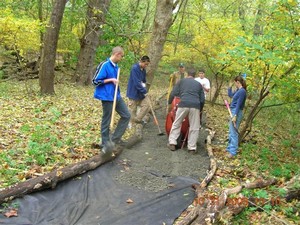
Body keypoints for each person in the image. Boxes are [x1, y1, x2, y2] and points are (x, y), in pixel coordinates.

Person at [92, 46, 131, 148]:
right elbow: (95, 81)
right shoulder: (104, 65)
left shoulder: (116, 67)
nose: (121, 58)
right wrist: (110, 80)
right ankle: (105, 144)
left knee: (126, 115)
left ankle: (114, 139)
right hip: (106, 96)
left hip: (116, 96)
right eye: (121, 56)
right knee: (107, 120)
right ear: (117, 54)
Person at [167, 68, 205, 152]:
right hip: (195, 105)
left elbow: (173, 93)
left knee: (177, 123)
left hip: (183, 103)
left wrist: (169, 102)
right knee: (194, 127)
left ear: (187, 74)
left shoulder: (181, 81)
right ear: (195, 75)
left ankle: (172, 143)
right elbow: (202, 99)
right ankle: (191, 148)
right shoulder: (198, 84)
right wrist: (200, 110)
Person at [226, 75, 247, 158]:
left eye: (235, 83)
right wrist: (229, 87)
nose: (234, 84)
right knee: (231, 131)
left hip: (236, 111)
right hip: (233, 110)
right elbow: (230, 95)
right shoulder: (238, 90)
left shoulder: (242, 91)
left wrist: (235, 115)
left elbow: (239, 104)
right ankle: (229, 148)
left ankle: (233, 152)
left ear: (238, 82)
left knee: (234, 132)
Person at [126, 56, 150, 124]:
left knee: (146, 105)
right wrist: (144, 91)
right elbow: (136, 83)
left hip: (140, 93)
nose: (146, 66)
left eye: (147, 64)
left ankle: (137, 120)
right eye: (145, 64)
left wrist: (144, 86)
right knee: (132, 110)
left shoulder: (144, 70)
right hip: (133, 92)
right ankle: (130, 124)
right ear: (141, 62)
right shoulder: (135, 68)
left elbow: (143, 81)